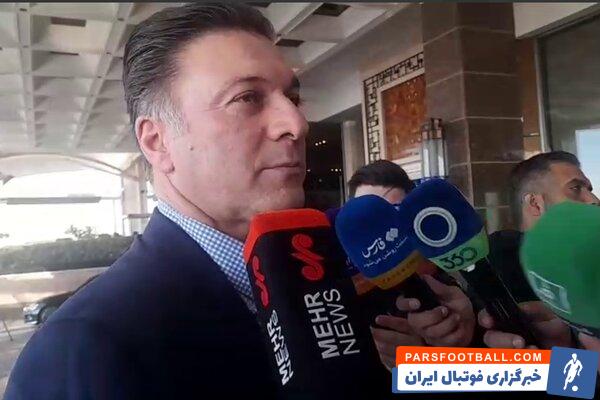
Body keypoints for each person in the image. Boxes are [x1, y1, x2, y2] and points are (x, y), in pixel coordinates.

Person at [5, 4, 391, 399]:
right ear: (158, 142)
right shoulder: (83, 350)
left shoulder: (319, 275)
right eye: (247, 98)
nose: (296, 123)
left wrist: (425, 360)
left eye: (292, 97)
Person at [346, 160, 476, 371]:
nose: (383, 232)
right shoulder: (343, 298)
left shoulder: (453, 287)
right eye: (367, 218)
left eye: (392, 212)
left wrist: (458, 345)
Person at [480, 151, 599, 349]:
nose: (594, 200)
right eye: (575, 188)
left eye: (590, 189)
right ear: (535, 204)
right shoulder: (500, 263)